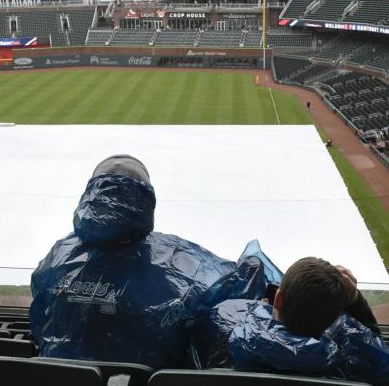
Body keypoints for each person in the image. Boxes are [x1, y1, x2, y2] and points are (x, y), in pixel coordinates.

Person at [29, 155, 261, 368]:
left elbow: (40, 321)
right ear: (146, 199)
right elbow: (235, 286)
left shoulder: (59, 254)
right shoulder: (178, 257)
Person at [197, 258, 389, 381]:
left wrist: (258, 312)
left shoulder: (229, 327)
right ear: (336, 318)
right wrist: (355, 301)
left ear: (278, 298)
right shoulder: (346, 362)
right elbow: (379, 355)